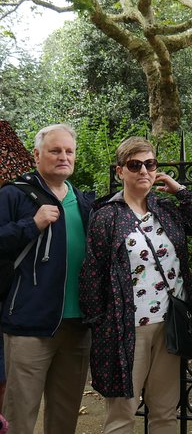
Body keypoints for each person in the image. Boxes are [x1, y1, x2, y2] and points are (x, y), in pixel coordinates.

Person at [79, 137, 192, 433]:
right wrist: (102, 324)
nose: (143, 171)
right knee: (122, 413)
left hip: (170, 324)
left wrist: (181, 192)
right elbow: (92, 274)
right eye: (134, 165)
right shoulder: (107, 216)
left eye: (150, 164)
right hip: (127, 328)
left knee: (165, 411)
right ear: (120, 171)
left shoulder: (165, 210)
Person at [0, 123, 94, 434]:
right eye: (55, 150)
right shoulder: (14, 194)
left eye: (69, 151)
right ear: (37, 154)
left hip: (77, 326)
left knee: (65, 418)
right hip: (29, 324)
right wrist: (32, 224)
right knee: (19, 417)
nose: (63, 156)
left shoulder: (83, 203)